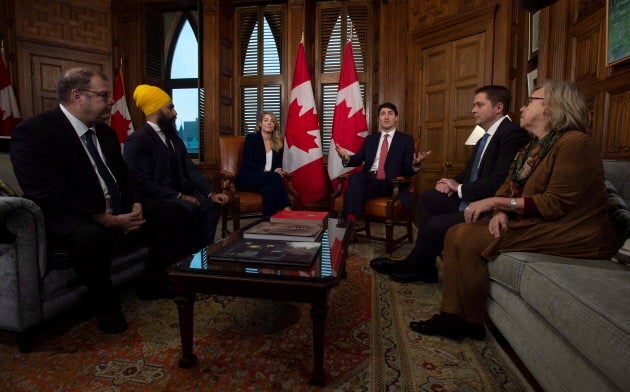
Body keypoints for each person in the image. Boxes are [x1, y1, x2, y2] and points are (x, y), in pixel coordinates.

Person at [410, 80, 619, 341]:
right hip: (532, 219)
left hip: (571, 230)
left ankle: (470, 322)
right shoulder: (533, 146)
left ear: (552, 107)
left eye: (531, 101)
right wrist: (501, 211)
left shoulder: (575, 143)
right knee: (455, 232)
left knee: (464, 237)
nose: (522, 107)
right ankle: (453, 316)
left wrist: (496, 204)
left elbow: (555, 204)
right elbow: (510, 187)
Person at [10, 68, 195, 334]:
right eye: (104, 95)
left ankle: (151, 280)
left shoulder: (106, 133)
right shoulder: (35, 133)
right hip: (70, 216)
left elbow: (126, 177)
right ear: (77, 96)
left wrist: (135, 205)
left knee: (175, 212)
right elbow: (46, 192)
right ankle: (107, 308)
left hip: (117, 210)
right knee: (91, 237)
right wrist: (104, 217)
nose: (111, 102)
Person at [370, 86, 530, 283]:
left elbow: (499, 180)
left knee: (436, 224)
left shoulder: (512, 133)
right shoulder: (485, 134)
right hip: (472, 195)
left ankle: (414, 265)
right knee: (429, 197)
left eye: (479, 105)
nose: (473, 110)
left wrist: (459, 189)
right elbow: (471, 171)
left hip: (487, 203)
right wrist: (451, 181)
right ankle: (424, 267)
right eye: (473, 105)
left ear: (498, 107)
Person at [124, 85, 228, 249]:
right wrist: (180, 196)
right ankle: (185, 257)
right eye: (170, 107)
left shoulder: (174, 137)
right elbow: (143, 182)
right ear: (156, 110)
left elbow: (190, 169)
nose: (175, 112)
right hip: (157, 199)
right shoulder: (138, 140)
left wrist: (211, 193)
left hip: (180, 194)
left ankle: (203, 252)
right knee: (187, 208)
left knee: (212, 205)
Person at [335, 102, 428, 222]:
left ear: (396, 118)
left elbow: (407, 170)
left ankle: (349, 222)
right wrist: (347, 158)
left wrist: (415, 164)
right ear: (379, 118)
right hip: (369, 181)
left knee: (351, 192)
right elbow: (358, 158)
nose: (386, 117)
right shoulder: (370, 139)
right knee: (357, 177)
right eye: (382, 114)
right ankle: (351, 221)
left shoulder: (406, 140)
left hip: (391, 184)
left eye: (390, 113)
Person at [235, 111, 291, 217]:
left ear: (274, 125)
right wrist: (265, 171)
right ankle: (286, 208)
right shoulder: (251, 138)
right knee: (274, 177)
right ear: (260, 124)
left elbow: (278, 164)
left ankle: (267, 224)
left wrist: (278, 169)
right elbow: (247, 162)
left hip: (267, 180)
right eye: (266, 120)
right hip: (248, 178)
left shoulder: (278, 142)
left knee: (268, 191)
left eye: (272, 121)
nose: (269, 123)